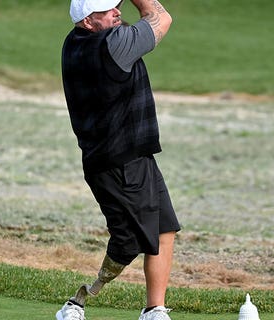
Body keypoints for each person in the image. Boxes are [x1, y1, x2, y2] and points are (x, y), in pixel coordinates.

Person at [58, 0, 180, 319]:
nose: (117, 12)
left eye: (116, 5)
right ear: (87, 21)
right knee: (129, 242)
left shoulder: (73, 42)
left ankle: (155, 309)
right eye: (107, 10)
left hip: (128, 157)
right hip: (121, 164)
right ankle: (77, 302)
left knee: (163, 229)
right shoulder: (115, 45)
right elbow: (160, 16)